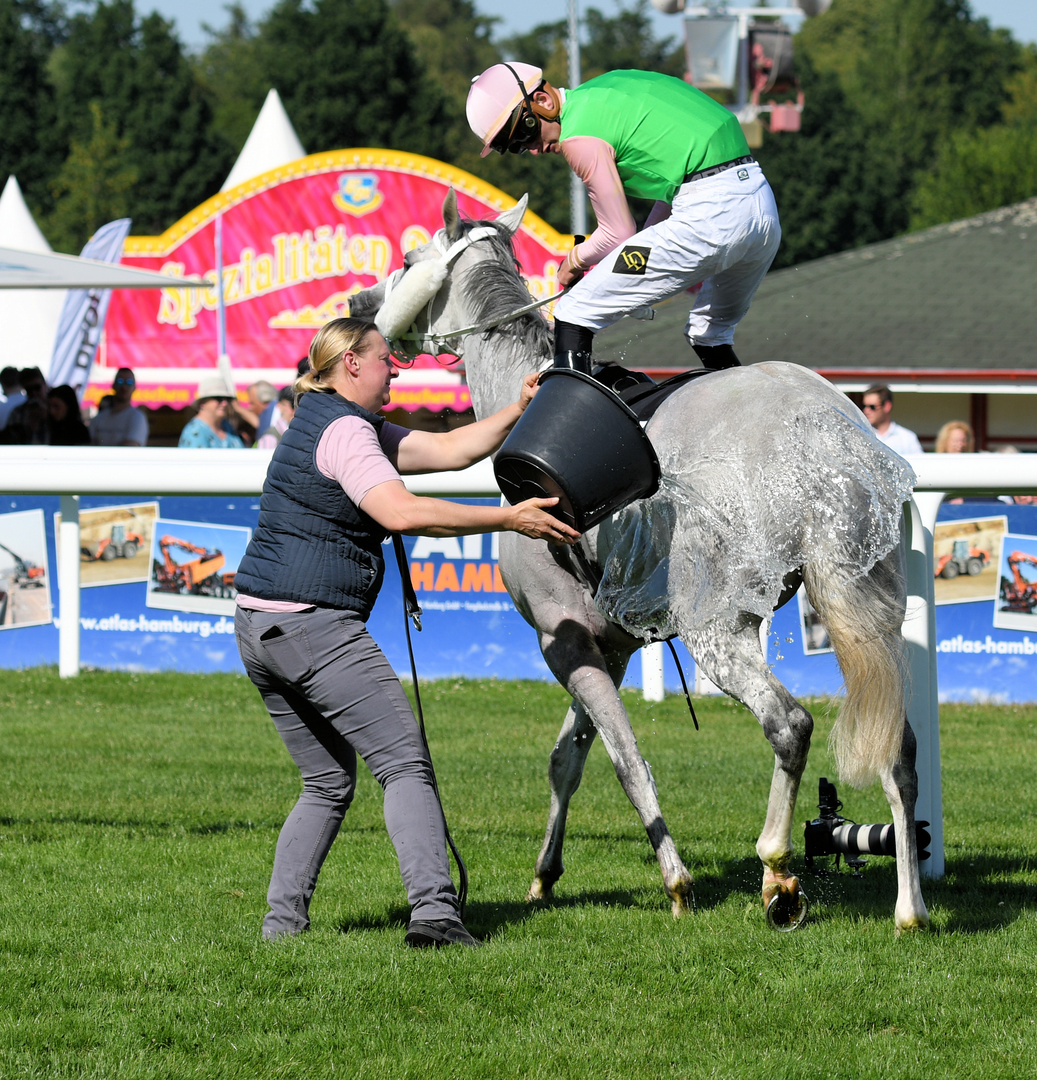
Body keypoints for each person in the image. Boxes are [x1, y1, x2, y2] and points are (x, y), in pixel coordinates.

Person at [233, 317, 580, 948]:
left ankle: (280, 929)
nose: (398, 368)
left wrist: (518, 409)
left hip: (260, 628)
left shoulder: (331, 419)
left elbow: (451, 452)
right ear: (353, 365)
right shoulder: (345, 432)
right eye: (387, 358)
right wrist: (510, 518)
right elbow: (400, 511)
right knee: (404, 764)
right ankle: (435, 917)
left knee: (328, 781)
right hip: (312, 627)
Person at [466, 63, 781, 374]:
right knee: (708, 334)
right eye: (516, 147)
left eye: (523, 134)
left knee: (572, 313)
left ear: (544, 102)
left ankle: (570, 422)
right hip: (761, 205)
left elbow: (617, 233)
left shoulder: (578, 138)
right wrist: (646, 251)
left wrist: (574, 262)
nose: (531, 150)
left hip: (712, 214)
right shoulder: (607, 85)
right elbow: (681, 185)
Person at [178, 376, 245, 448]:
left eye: (228, 399)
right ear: (202, 403)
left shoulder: (227, 426)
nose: (225, 403)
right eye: (218, 398)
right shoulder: (195, 431)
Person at [89, 368, 149, 447]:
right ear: (113, 385)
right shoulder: (98, 419)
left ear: (134, 387)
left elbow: (129, 448)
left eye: (129, 382)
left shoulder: (137, 418)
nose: (124, 387)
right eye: (120, 382)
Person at [861, 384, 923, 456]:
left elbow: (920, 465)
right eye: (864, 406)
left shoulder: (907, 438)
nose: (866, 411)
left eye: (872, 407)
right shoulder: (862, 436)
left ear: (887, 406)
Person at [0, 368, 48, 444]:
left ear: (45, 384)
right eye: (29, 390)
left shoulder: (55, 409)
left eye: (37, 387)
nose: (34, 393)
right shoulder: (17, 413)